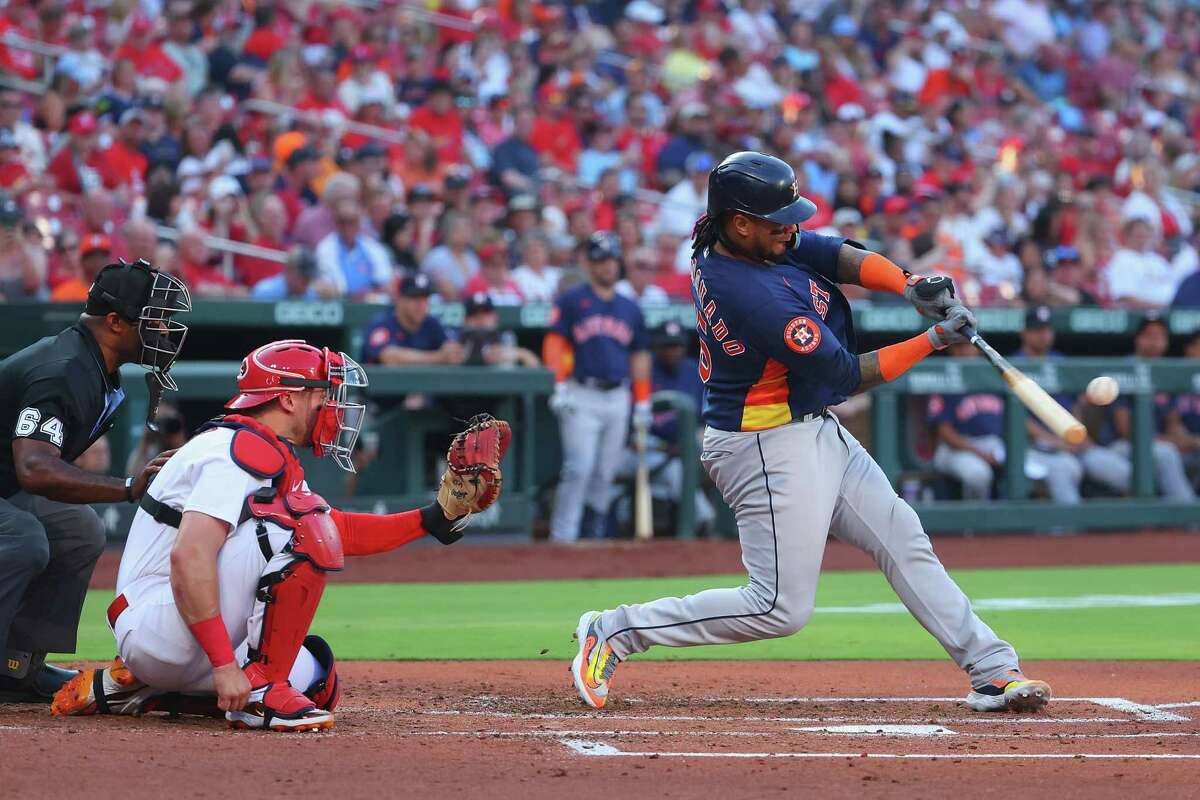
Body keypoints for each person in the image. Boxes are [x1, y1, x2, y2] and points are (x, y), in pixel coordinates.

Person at [570, 151, 1051, 714]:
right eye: (777, 223)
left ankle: (991, 669)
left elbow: (825, 250)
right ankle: (614, 631)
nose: (790, 231)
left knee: (902, 536)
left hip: (812, 428)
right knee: (777, 607)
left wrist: (907, 283)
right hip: (764, 445)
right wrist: (934, 340)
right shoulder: (751, 296)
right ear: (740, 222)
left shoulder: (746, 237)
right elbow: (845, 373)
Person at [51, 340, 507, 731]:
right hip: (158, 620)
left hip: (174, 630)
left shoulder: (260, 447)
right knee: (302, 530)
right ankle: (259, 688)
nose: (332, 405)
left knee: (320, 684)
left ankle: (140, 691)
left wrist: (435, 518)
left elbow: (336, 530)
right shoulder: (235, 450)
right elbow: (188, 556)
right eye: (321, 393)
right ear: (288, 399)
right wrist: (227, 666)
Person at [0, 260, 190, 703]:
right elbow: (34, 469)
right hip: (11, 485)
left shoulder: (94, 365)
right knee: (23, 537)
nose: (164, 331)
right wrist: (126, 488)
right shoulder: (64, 368)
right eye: (154, 320)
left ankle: (16, 667)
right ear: (114, 323)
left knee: (78, 529)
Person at [543, 232, 651, 542]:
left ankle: (594, 535)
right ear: (590, 265)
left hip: (619, 395)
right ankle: (562, 537)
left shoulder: (630, 306)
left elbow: (640, 355)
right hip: (582, 392)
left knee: (605, 472)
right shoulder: (573, 300)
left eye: (611, 260)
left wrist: (642, 401)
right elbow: (555, 342)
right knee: (579, 468)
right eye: (601, 260)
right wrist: (558, 384)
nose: (608, 267)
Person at [928, 339, 1079, 502]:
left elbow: (1021, 421)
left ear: (977, 349)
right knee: (977, 474)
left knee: (1064, 465)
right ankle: (977, 525)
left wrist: (1052, 440)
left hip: (999, 447)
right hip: (959, 449)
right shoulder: (946, 376)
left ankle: (1064, 526)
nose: (963, 351)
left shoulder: (992, 374)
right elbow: (945, 433)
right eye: (958, 346)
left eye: (967, 346)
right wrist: (980, 453)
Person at [617, 320, 716, 534]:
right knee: (673, 470)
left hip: (687, 446)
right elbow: (630, 429)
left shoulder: (694, 370)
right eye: (667, 346)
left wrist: (687, 444)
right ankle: (703, 521)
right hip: (648, 447)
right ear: (657, 347)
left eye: (677, 345)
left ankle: (706, 521)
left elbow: (706, 418)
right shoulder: (643, 371)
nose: (673, 351)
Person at [360, 273, 464, 367]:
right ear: (399, 299)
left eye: (425, 299)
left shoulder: (431, 323)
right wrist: (437, 357)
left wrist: (452, 352)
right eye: (415, 298)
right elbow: (389, 357)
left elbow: (448, 348)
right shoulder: (382, 322)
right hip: (380, 386)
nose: (421, 305)